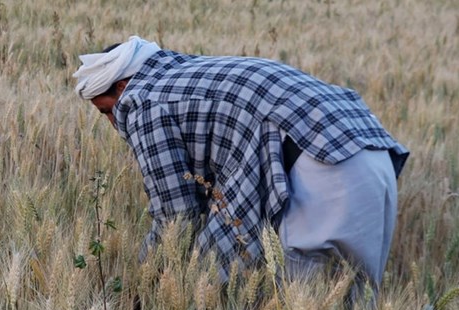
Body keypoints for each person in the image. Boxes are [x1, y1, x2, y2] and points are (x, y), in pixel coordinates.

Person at [73, 36, 409, 295]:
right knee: (358, 309)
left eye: (105, 111)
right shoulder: (189, 71)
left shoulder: (141, 102)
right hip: (371, 152)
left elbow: (176, 216)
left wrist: (144, 282)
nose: (113, 123)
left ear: (121, 86)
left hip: (321, 171)